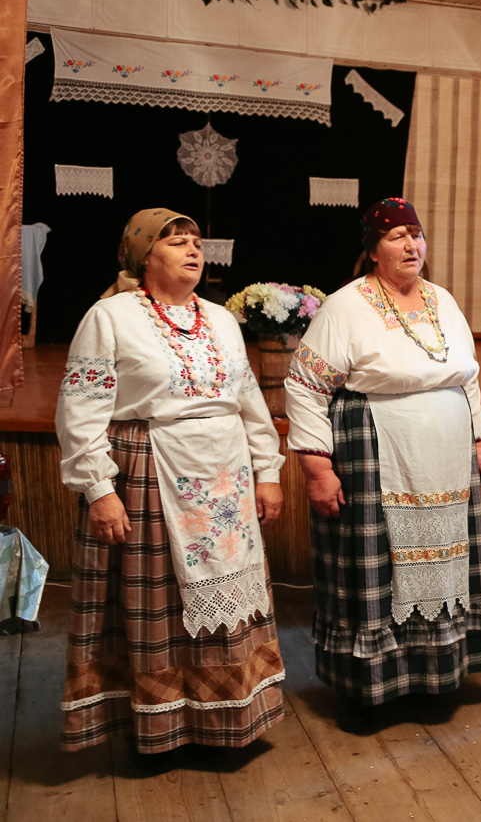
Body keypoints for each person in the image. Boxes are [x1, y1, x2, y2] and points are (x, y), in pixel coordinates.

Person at [56, 208, 286, 772]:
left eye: (196, 241)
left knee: (226, 597)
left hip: (225, 480)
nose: (192, 249)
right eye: (175, 242)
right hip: (149, 473)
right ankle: (160, 726)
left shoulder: (221, 319)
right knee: (157, 604)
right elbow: (80, 409)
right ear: (143, 257)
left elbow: (248, 401)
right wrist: (99, 489)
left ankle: (225, 718)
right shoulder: (110, 317)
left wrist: (268, 471)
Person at [284, 197, 481, 731]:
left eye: (416, 234)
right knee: (376, 568)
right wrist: (317, 468)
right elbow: (305, 385)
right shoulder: (346, 306)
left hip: (446, 459)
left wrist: (478, 440)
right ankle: (370, 689)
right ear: (373, 248)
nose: (411, 245)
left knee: (445, 565)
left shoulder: (442, 300)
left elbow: (468, 376)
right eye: (396, 236)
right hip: (374, 450)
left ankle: (433, 679)